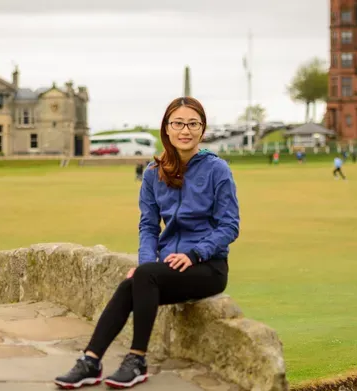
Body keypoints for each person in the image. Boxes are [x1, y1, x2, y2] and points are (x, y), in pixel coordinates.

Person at [54, 97, 240, 389]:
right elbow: (149, 226)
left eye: (193, 124)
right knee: (133, 281)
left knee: (141, 278)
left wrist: (194, 253)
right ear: (166, 129)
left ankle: (137, 359)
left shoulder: (218, 170)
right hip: (167, 267)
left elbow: (229, 226)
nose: (185, 130)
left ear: (202, 130)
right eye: (178, 123)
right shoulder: (154, 173)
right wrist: (145, 264)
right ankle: (91, 360)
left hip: (208, 267)